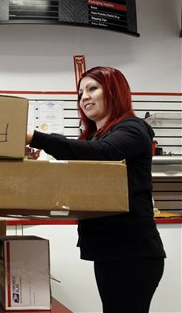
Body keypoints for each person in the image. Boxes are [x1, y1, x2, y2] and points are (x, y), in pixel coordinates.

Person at [26, 67, 166, 313]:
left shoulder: (132, 129)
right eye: (81, 93)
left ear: (114, 91)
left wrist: (35, 137)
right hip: (109, 249)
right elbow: (77, 168)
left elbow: (104, 154)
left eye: (92, 89)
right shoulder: (94, 138)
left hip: (133, 250)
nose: (85, 97)